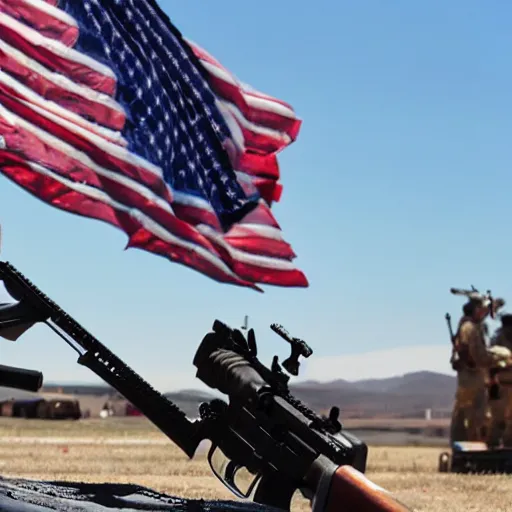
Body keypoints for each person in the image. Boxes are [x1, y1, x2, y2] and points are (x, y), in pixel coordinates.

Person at [449, 297, 498, 444]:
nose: (484, 313)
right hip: (471, 378)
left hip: (472, 377)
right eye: (482, 310)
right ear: (476, 310)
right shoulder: (469, 328)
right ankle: (467, 446)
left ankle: (470, 443)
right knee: (470, 414)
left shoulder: (470, 327)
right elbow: (474, 354)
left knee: (472, 413)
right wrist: (493, 359)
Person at [487, 314, 512, 447]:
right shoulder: (497, 340)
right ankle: (493, 445)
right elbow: (491, 361)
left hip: (502, 382)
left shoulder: (497, 338)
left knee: (501, 419)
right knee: (498, 419)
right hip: (500, 383)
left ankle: (506, 446)